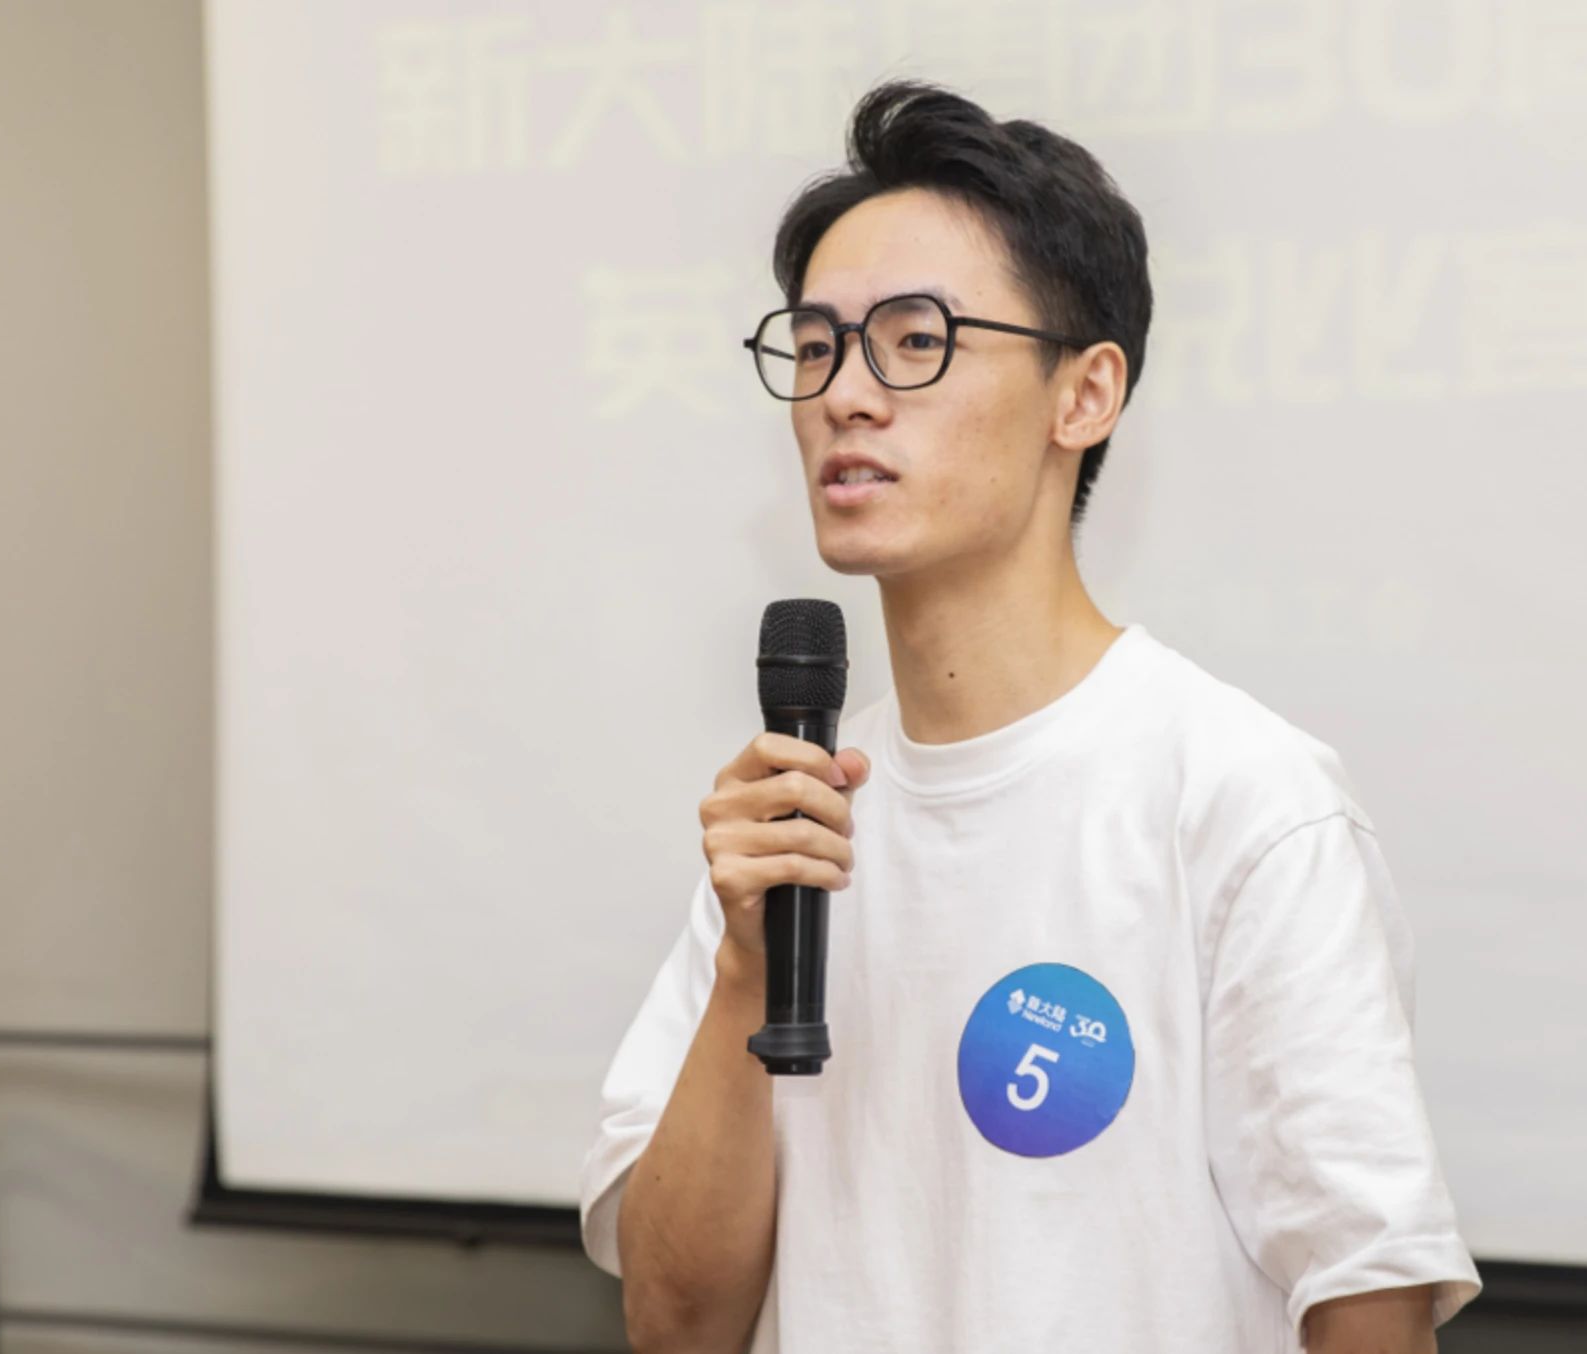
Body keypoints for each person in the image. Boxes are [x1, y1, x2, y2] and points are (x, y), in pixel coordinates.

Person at [580, 79, 1481, 1353]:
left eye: (915, 340)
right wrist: (744, 969)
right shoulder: (793, 823)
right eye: (817, 345)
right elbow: (675, 1323)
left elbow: (1368, 1307)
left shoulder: (1240, 798)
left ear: (1085, 394)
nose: (845, 395)